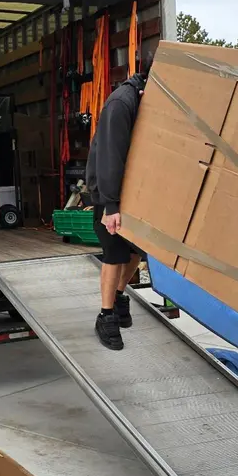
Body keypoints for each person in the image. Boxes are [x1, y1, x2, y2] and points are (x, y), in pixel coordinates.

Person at [85, 63, 151, 351]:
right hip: (108, 192)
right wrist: (111, 206)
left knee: (137, 249)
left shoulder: (145, 100)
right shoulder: (120, 104)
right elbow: (110, 157)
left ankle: (120, 294)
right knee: (114, 253)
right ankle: (106, 315)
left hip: (133, 190)